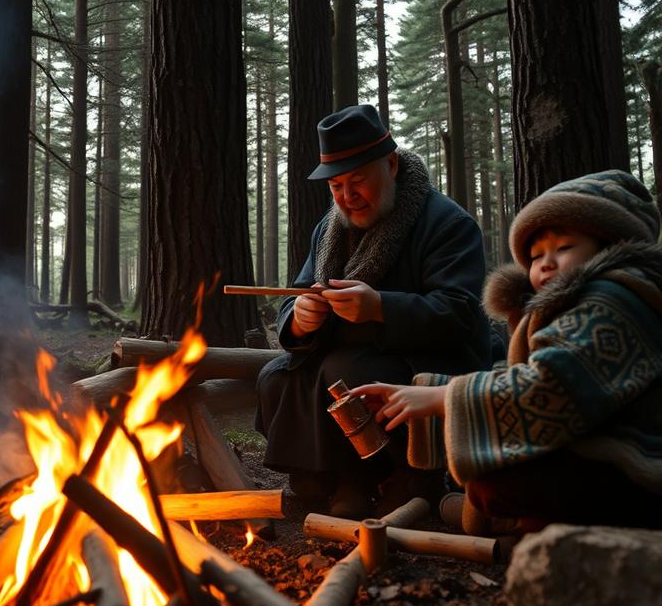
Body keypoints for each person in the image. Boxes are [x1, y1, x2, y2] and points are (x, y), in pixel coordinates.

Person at [351, 170, 662, 530]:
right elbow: (525, 377)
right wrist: (427, 389)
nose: (545, 263)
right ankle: (516, 522)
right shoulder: (575, 306)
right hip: (597, 451)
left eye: (563, 248)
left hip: (636, 466)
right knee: (496, 476)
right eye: (535, 255)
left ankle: (532, 528)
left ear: (609, 246)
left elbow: (552, 389)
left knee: (496, 481)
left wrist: (444, 397)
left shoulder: (612, 302)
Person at [255, 104, 491, 517]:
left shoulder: (447, 223)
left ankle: (407, 477)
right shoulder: (329, 231)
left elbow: (458, 315)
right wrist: (300, 317)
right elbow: (294, 296)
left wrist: (380, 307)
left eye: (358, 181)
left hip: (428, 362)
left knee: (347, 372)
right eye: (337, 186)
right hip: (347, 355)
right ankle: (324, 479)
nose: (347, 197)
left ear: (391, 165)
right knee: (276, 377)